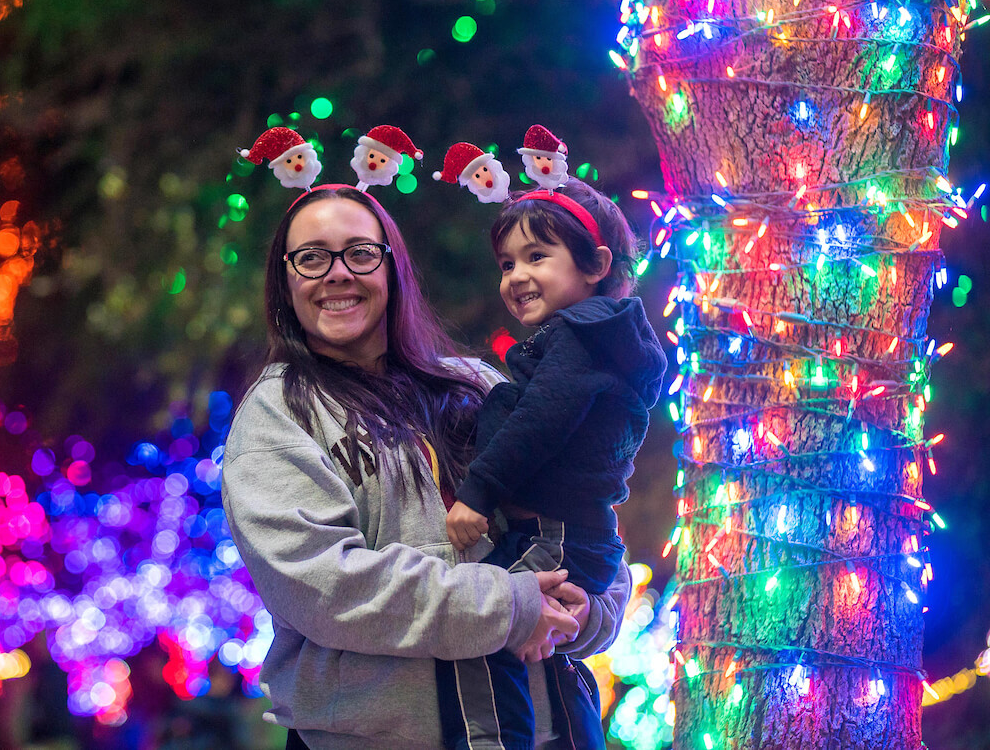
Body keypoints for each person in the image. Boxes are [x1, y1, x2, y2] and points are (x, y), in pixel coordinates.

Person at [220, 184, 633, 749]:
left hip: (544, 729)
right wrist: (507, 606)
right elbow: (322, 584)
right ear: (284, 281)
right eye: (312, 257)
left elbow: (584, 506)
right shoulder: (277, 416)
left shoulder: (477, 384)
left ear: (393, 270)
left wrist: (588, 611)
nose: (337, 273)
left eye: (360, 253)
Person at [439, 178, 667, 749]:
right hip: (573, 534)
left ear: (595, 265)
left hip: (555, 532)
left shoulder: (579, 337)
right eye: (506, 262)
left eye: (537, 256)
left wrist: (478, 492)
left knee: (482, 631)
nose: (516, 276)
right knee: (543, 657)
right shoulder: (593, 337)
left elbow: (542, 419)